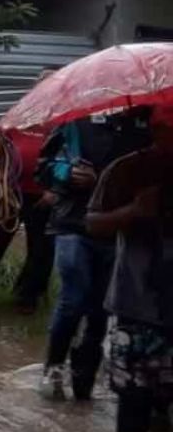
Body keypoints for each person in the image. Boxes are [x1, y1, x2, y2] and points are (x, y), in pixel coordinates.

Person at [37, 107, 153, 400]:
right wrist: (66, 172)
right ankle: (53, 366)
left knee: (103, 307)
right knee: (73, 297)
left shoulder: (146, 127)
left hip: (118, 227)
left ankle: (85, 373)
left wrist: (99, 177)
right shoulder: (77, 120)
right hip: (72, 223)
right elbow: (44, 166)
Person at [85, 104, 173, 432]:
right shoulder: (125, 170)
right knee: (133, 402)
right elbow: (92, 224)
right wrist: (134, 211)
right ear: (155, 129)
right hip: (136, 304)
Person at [0, 69, 59, 313]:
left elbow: (70, 155)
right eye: (42, 87)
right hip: (10, 192)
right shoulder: (17, 116)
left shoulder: (64, 120)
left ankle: (27, 298)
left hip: (44, 195)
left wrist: (55, 190)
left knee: (42, 249)